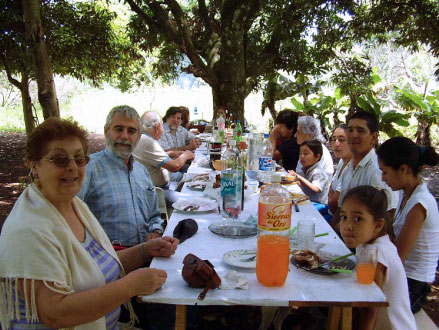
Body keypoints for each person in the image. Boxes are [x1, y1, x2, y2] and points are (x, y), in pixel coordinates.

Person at [0, 118, 178, 330]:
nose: (72, 167)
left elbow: (97, 265)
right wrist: (129, 286)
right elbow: (55, 313)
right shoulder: (29, 230)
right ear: (34, 165)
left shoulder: (74, 206)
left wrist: (144, 250)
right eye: (59, 159)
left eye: (79, 158)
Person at [78, 105, 164, 246]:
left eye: (131, 131)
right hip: (108, 261)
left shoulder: (141, 171)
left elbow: (154, 215)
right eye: (119, 129)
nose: (124, 136)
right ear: (106, 131)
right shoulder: (88, 169)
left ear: (138, 136)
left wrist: (155, 230)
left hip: (147, 253)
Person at [340, 185, 416, 330]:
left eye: (357, 219)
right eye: (344, 217)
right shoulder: (375, 243)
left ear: (378, 225)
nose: (348, 225)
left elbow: (370, 307)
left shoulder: (376, 254)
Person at [377, 136, 439, 313]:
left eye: (385, 172)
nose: (383, 178)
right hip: (403, 276)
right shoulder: (407, 194)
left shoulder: (419, 203)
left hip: (413, 285)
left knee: (360, 299)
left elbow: (398, 256)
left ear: (403, 169)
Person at [331, 111, 397, 232]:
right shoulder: (349, 167)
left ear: (374, 137)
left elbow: (388, 215)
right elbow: (340, 209)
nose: (354, 135)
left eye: (361, 131)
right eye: (350, 130)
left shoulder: (377, 171)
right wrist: (330, 234)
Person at [133, 111, 195, 207]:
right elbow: (175, 167)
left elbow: (150, 157)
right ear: (157, 127)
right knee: (190, 200)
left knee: (187, 183)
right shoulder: (148, 142)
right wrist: (186, 155)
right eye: (162, 126)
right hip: (154, 192)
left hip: (156, 188)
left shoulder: (142, 138)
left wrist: (169, 154)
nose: (162, 130)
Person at [288, 139, 331, 205]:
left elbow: (315, 190)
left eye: (305, 154)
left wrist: (299, 177)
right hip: (307, 201)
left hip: (318, 204)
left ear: (317, 156)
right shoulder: (306, 169)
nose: (302, 156)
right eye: (300, 153)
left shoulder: (319, 172)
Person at [328, 124, 352, 215]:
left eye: (341, 140)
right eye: (334, 140)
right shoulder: (342, 161)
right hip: (329, 210)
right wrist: (331, 197)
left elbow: (334, 204)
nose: (336, 144)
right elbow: (331, 187)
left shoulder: (352, 166)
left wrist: (331, 198)